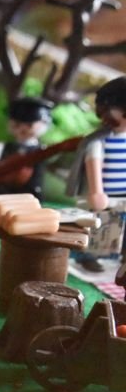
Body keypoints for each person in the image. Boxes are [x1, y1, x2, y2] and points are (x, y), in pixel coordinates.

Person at [66, 76, 126, 272]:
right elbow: (94, 163)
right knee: (100, 227)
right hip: (105, 195)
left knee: (120, 228)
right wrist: (96, 191)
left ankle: (120, 256)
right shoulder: (98, 141)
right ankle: (89, 256)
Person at [0, 96, 53, 201]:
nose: (22, 129)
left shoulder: (40, 150)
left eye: (29, 125)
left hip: (28, 186)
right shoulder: (6, 146)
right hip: (4, 183)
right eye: (17, 125)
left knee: (33, 190)